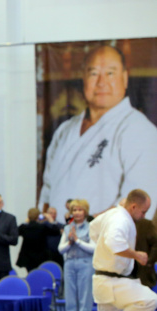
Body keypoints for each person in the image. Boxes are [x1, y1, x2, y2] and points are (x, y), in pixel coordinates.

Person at [39, 45, 157, 218]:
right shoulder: (65, 130)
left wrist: (83, 226)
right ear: (84, 78)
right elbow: (47, 190)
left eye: (110, 73)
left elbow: (136, 205)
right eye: (94, 73)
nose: (102, 82)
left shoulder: (140, 130)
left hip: (100, 233)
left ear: (125, 78)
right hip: (55, 232)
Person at [89, 189, 157, 311]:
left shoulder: (112, 214)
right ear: (133, 207)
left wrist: (103, 250)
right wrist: (136, 255)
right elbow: (115, 244)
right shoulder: (121, 219)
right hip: (113, 281)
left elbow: (93, 228)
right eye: (143, 212)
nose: (144, 216)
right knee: (150, 300)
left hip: (104, 281)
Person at [58, 199, 96, 311]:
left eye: (80, 210)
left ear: (85, 212)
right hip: (69, 265)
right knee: (70, 304)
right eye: (74, 210)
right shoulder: (68, 228)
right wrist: (70, 242)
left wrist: (78, 241)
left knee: (84, 303)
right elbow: (60, 249)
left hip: (85, 264)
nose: (77, 212)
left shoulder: (91, 227)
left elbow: (93, 248)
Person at [16, 208, 62, 272]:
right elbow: (56, 231)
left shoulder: (24, 227)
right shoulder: (42, 227)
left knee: (31, 274)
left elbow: (15, 232)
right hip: (41, 257)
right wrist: (51, 220)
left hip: (28, 258)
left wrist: (26, 222)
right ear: (38, 216)